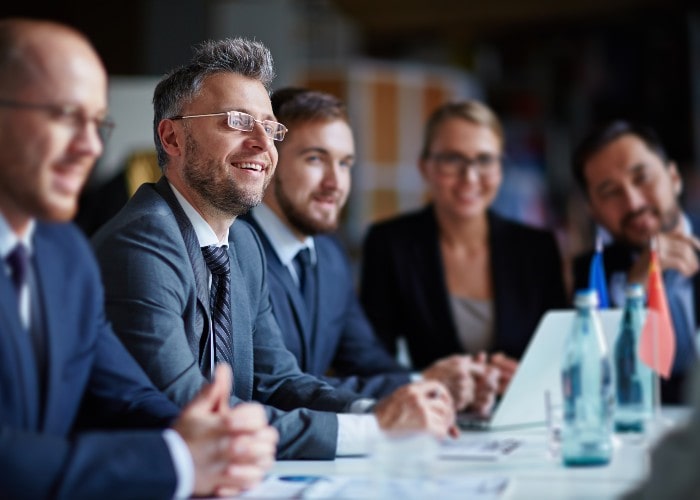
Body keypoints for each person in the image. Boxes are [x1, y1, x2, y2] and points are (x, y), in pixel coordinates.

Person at [92, 37, 456, 461]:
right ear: (172, 138)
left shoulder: (243, 244)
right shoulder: (143, 242)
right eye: (237, 122)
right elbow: (193, 412)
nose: (264, 146)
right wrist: (373, 432)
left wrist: (378, 412)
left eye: (270, 127)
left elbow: (278, 380)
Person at [0, 18, 278, 499]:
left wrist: (215, 439)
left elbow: (124, 393)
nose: (89, 146)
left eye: (96, 123)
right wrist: (176, 463)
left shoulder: (62, 253)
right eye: (65, 115)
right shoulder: (136, 238)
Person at [242, 87, 497, 414]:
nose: (335, 182)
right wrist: (420, 386)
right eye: (315, 159)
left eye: (345, 163)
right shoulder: (234, 247)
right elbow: (275, 385)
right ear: (268, 159)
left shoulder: (331, 256)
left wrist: (438, 386)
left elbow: (366, 360)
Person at [360, 100, 568, 396]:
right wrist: (425, 380)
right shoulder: (390, 243)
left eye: (484, 160)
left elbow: (561, 354)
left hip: (521, 417)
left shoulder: (537, 249)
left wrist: (527, 378)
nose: (470, 177)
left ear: (501, 167)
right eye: (452, 159)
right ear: (425, 167)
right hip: (432, 418)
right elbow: (370, 357)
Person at [571, 120, 700, 404]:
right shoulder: (590, 275)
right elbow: (593, 383)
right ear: (593, 210)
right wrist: (636, 288)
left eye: (642, 178)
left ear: (674, 178)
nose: (632, 202)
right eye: (610, 192)